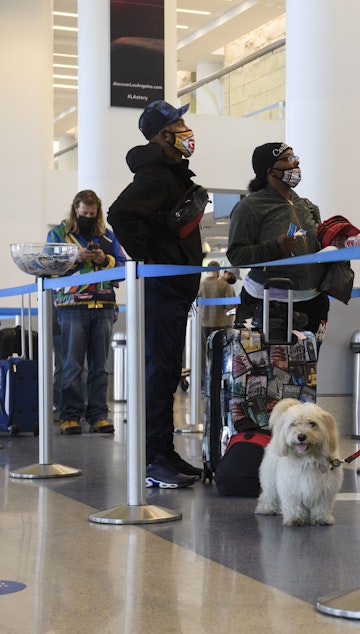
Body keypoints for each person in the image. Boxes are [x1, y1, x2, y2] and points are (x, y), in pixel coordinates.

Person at [107, 99, 204, 489]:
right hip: (162, 288)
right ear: (163, 135)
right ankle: (151, 460)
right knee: (159, 373)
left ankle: (163, 452)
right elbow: (119, 214)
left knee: (165, 375)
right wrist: (148, 253)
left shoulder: (171, 173)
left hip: (173, 290)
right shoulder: (158, 176)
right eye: (179, 124)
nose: (186, 130)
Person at [227, 142, 329, 341]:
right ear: (270, 170)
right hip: (268, 303)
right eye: (287, 159)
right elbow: (236, 255)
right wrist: (274, 248)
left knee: (308, 369)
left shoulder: (307, 206)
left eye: (295, 157)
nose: (296, 162)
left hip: (313, 302)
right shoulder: (249, 207)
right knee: (269, 368)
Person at [46, 189, 125, 435]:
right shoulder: (59, 234)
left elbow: (123, 266)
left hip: (103, 306)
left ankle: (98, 415)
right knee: (72, 366)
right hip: (71, 306)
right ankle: (69, 416)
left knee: (100, 366)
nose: (88, 217)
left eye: (92, 214)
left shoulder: (108, 236)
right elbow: (47, 263)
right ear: (75, 210)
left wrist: (104, 259)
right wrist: (74, 256)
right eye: (84, 213)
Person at [197, 261, 235, 343]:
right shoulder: (225, 285)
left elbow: (194, 304)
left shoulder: (200, 285)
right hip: (219, 323)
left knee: (205, 351)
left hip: (204, 323)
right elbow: (229, 306)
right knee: (218, 350)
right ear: (218, 271)